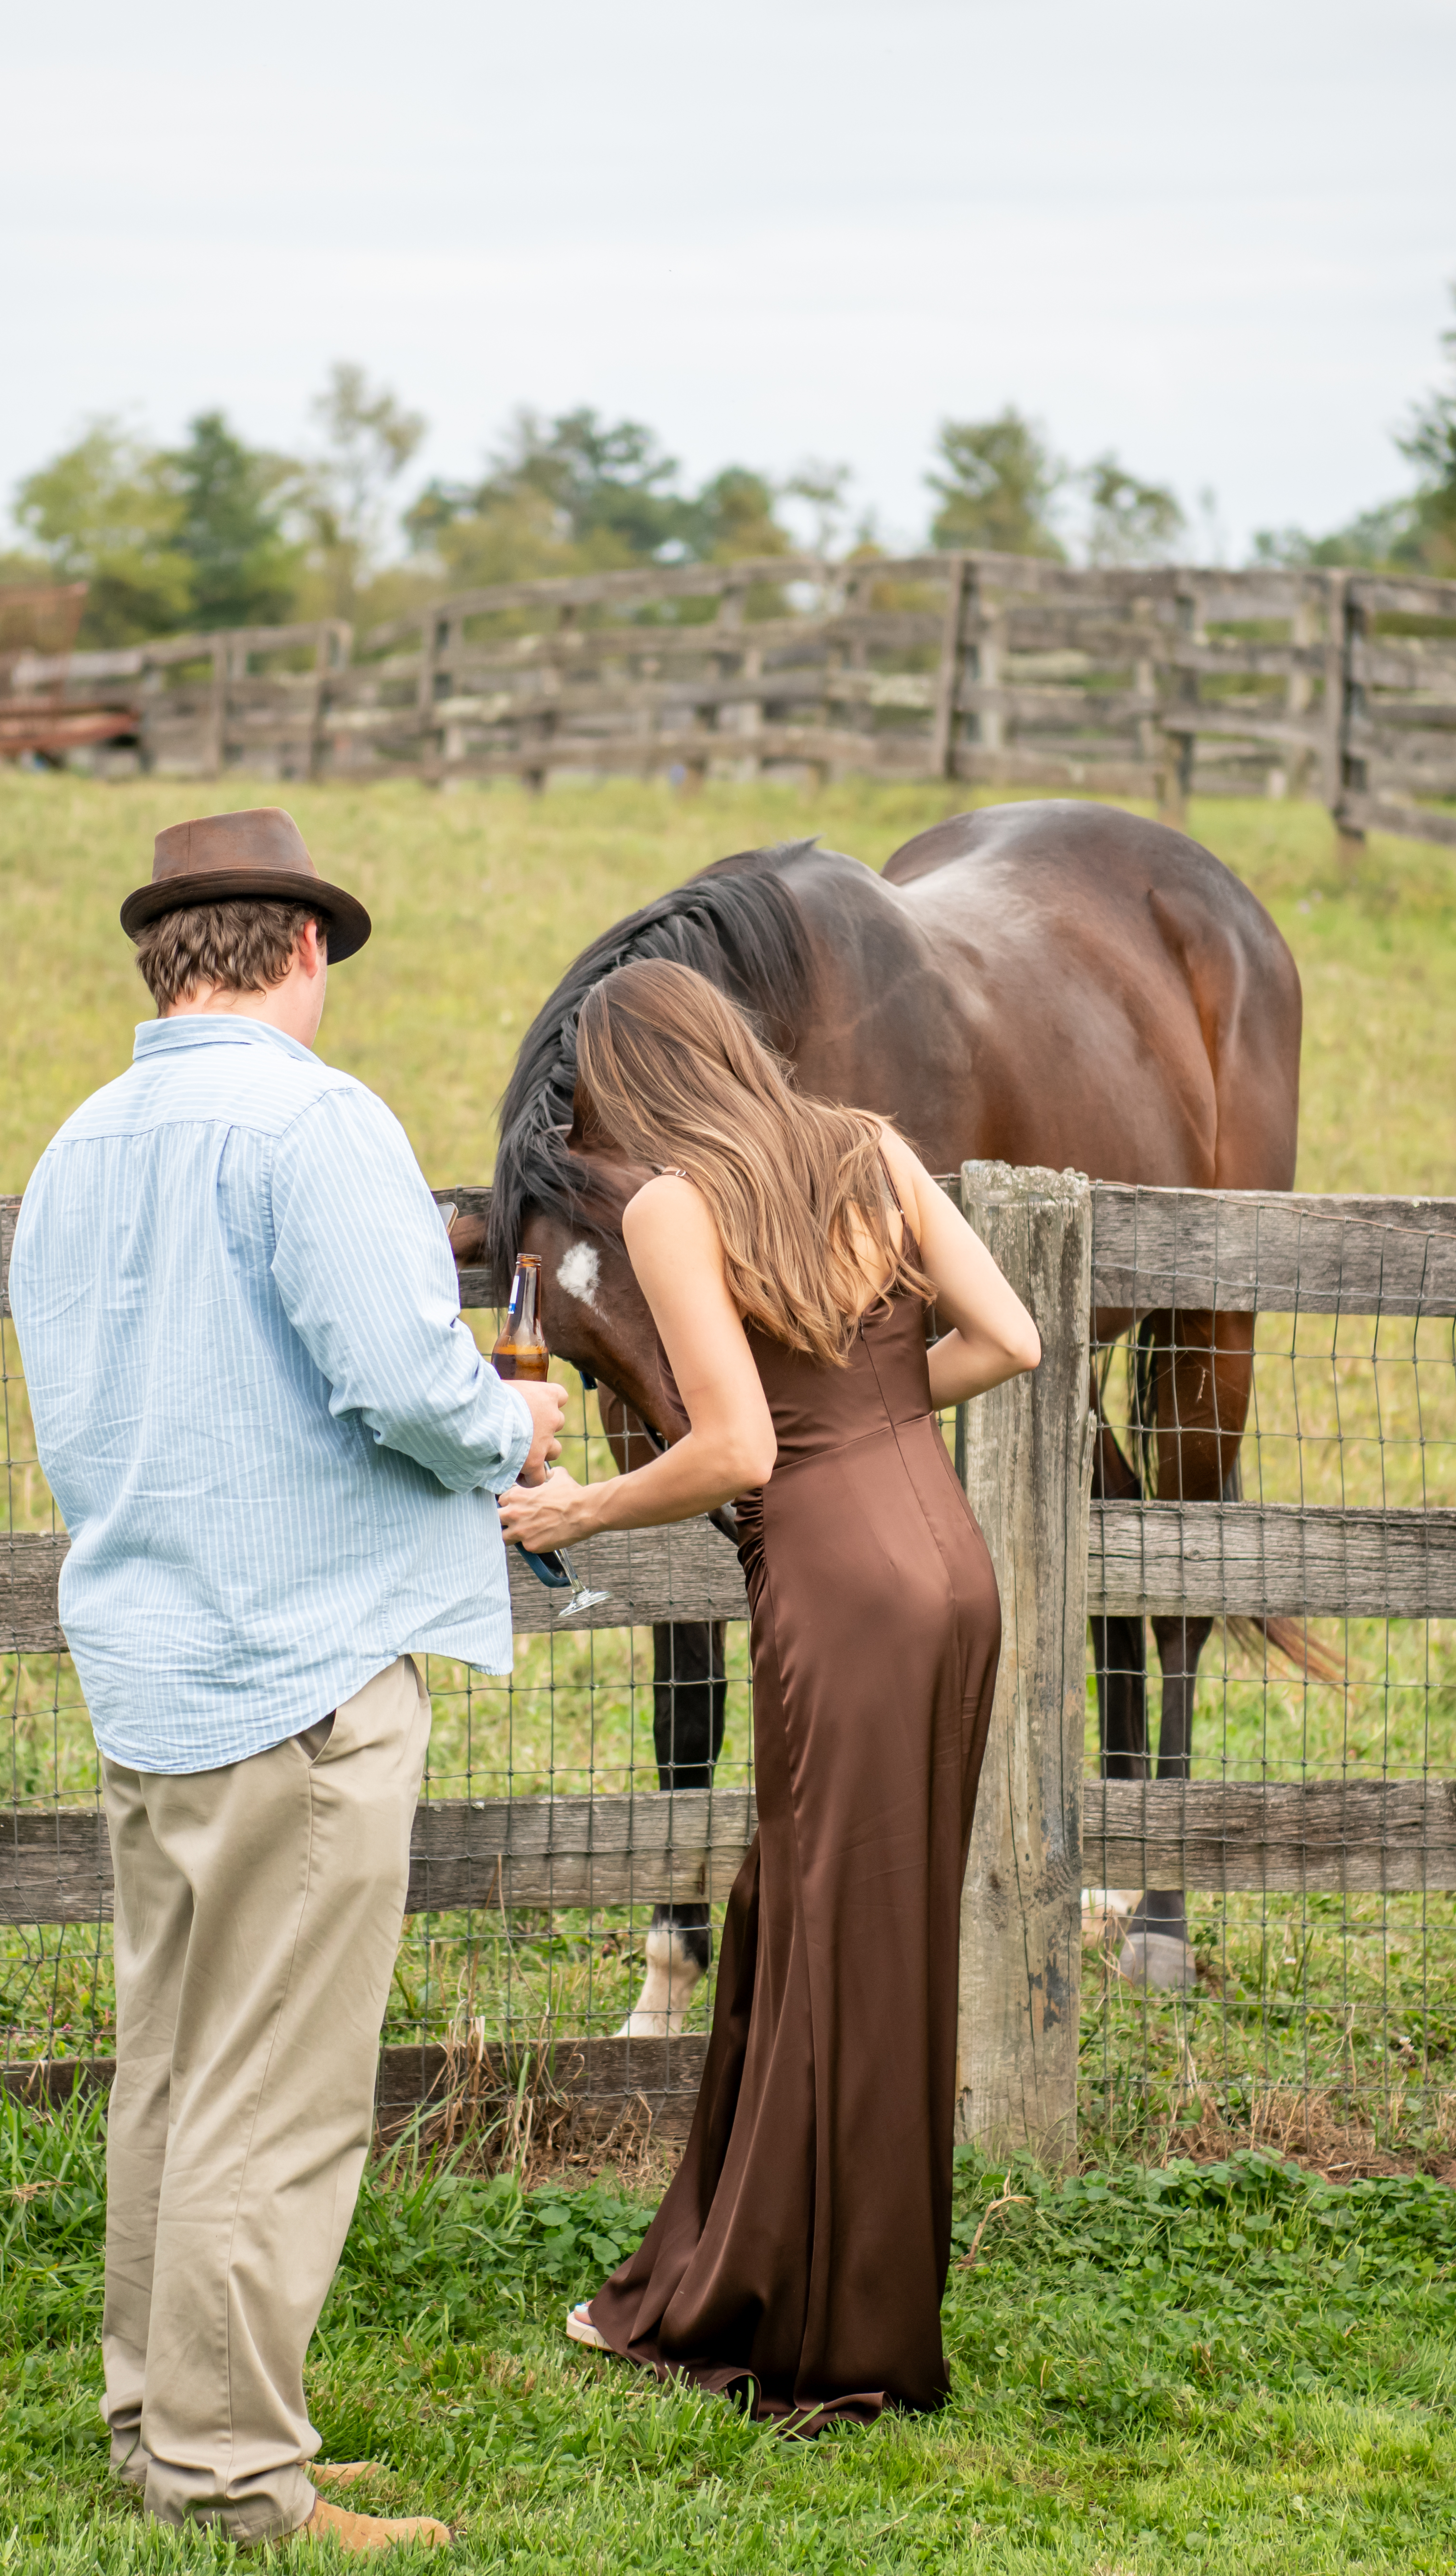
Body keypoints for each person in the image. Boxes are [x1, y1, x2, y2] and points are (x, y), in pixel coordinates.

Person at [11, 806, 568, 2554]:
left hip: (151, 1664)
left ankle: (159, 2425)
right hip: (302, 1671)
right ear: (307, 948)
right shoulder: (316, 1123)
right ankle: (236, 2476)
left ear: (162, 956)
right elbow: (404, 1385)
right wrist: (519, 1424)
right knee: (282, 2091)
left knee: (172, 2066)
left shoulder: (81, 1143)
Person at [497, 957, 1043, 2425]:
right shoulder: (870, 1144)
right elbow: (1013, 1340)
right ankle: (751, 2268)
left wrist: (580, 1516)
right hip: (951, 1570)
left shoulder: (677, 1204)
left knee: (829, 1935)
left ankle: (829, 2339)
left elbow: (738, 1450)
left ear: (638, 1086)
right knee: (851, 1927)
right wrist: (868, 1416)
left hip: (834, 1586)